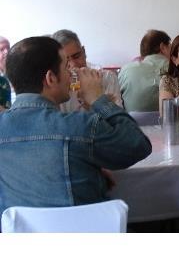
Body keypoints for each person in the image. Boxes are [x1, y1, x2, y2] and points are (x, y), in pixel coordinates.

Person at [0, 36, 151, 213]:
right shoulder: (78, 126)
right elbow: (138, 144)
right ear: (50, 78)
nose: (72, 71)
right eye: (66, 66)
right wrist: (98, 99)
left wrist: (85, 170)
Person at [52, 29, 123, 112]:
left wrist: (95, 102)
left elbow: (118, 121)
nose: (73, 64)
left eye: (77, 56)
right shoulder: (55, 85)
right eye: (66, 61)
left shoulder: (106, 77)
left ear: (84, 52)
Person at [118, 30, 171, 112]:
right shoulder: (175, 68)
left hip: (132, 123)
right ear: (163, 47)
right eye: (170, 46)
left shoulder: (126, 70)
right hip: (170, 122)